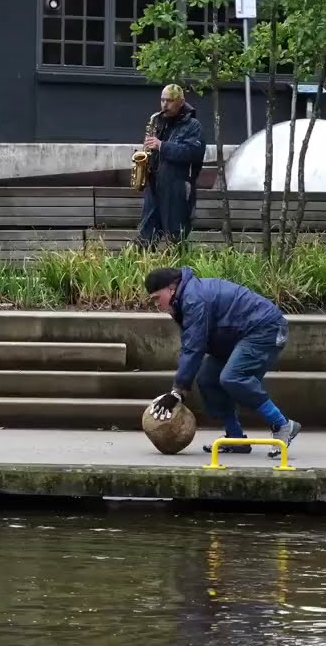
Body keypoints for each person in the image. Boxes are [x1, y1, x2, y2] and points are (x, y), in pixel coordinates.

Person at [145, 266, 301, 458]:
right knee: (207, 379)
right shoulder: (184, 299)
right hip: (237, 335)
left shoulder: (194, 298)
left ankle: (282, 424)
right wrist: (179, 390)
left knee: (233, 377)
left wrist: (177, 391)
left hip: (265, 329)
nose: (157, 305)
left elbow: (194, 346)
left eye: (156, 298)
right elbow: (192, 344)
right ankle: (235, 438)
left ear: (171, 288)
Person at [136, 84, 206, 247]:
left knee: (176, 238)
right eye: (162, 100)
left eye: (169, 100)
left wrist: (161, 145)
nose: (164, 105)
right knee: (145, 237)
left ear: (181, 102)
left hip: (178, 187)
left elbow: (192, 153)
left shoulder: (193, 125)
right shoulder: (158, 121)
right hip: (155, 185)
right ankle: (145, 268)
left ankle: (178, 270)